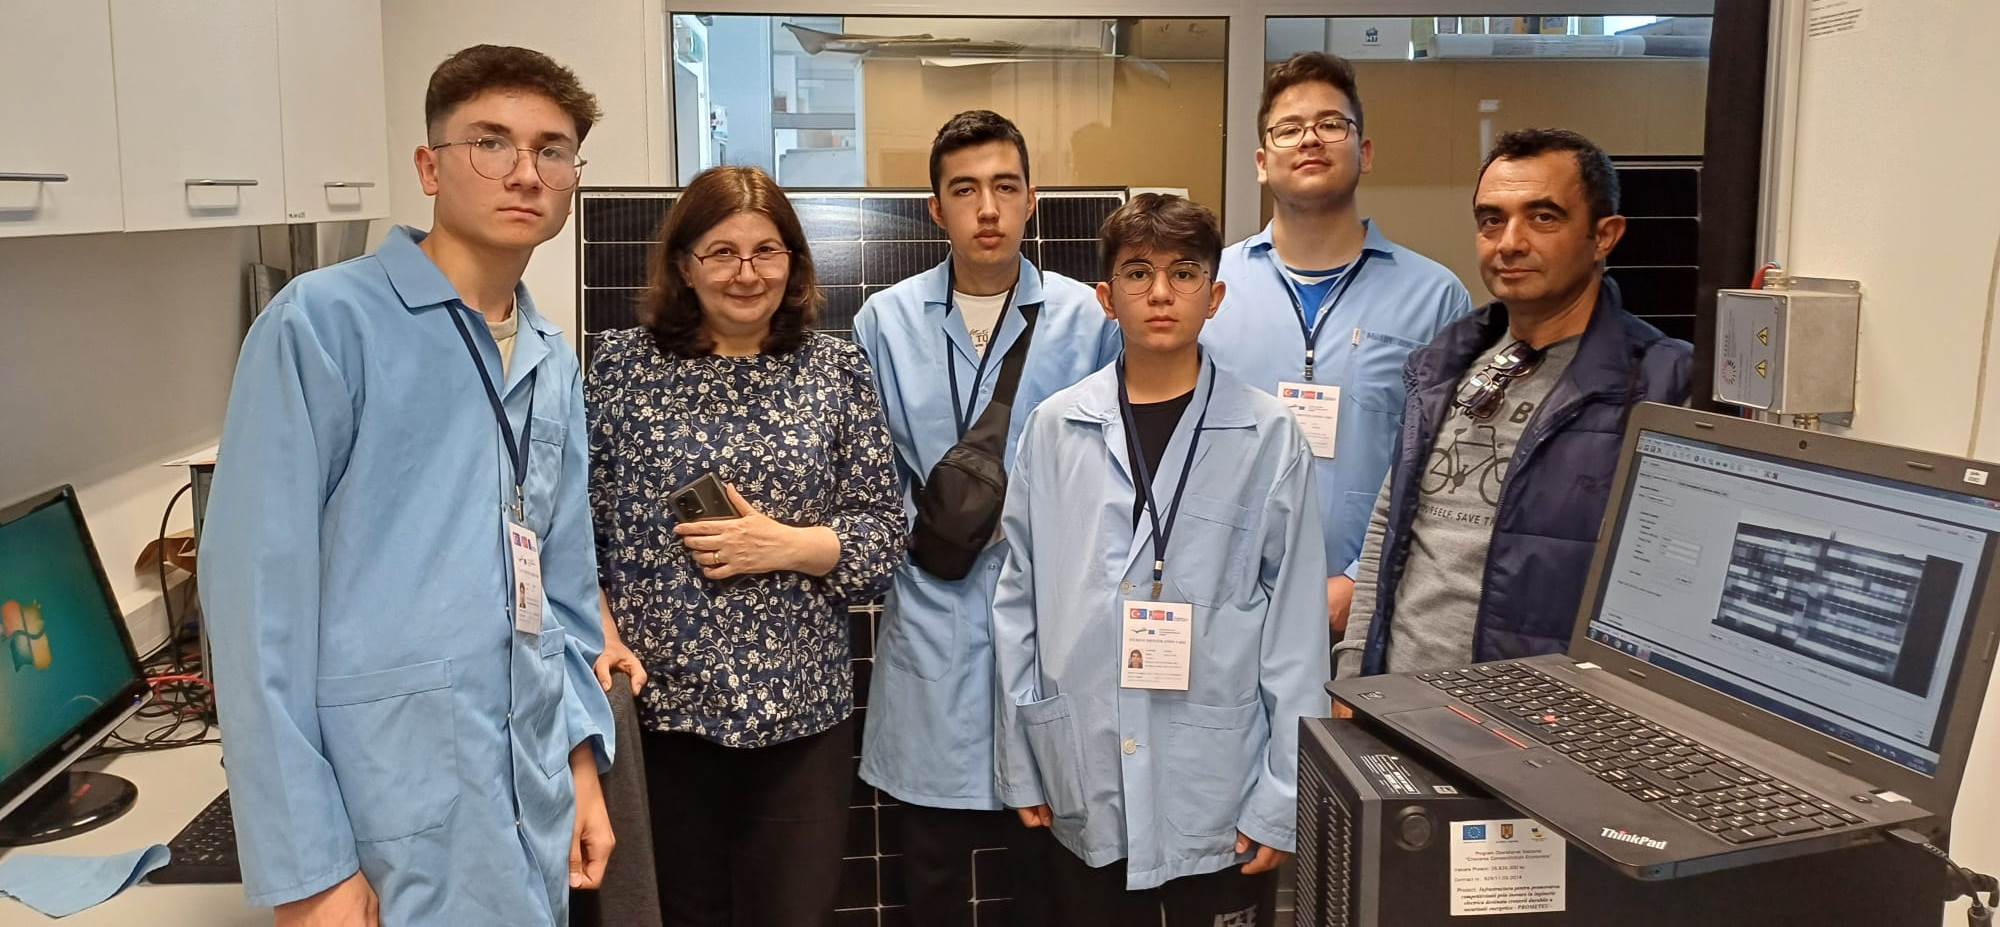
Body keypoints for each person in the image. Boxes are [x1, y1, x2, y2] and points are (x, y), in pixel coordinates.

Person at [200, 45, 615, 925]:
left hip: (531, 798)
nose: (526, 173)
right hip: (385, 810)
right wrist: (307, 869)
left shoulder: (552, 360)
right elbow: (254, 610)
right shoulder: (323, 326)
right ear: (430, 167)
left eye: (552, 151)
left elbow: (566, 591)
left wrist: (581, 766)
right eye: (491, 143)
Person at [992, 193, 1329, 925]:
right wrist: (1022, 759)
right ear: (1107, 298)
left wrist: (1282, 796)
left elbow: (1297, 633)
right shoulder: (1056, 427)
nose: (1161, 293)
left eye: (1183, 273)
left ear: (1215, 295)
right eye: (1138, 273)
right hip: (1083, 767)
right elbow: (1017, 603)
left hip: (1217, 780)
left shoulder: (1269, 435)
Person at [585, 165, 904, 927]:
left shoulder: (835, 369)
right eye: (722, 252)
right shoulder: (621, 366)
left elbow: (882, 539)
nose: (747, 272)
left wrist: (785, 545)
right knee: (676, 913)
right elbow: (575, 531)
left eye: (767, 251)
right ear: (684, 265)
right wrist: (602, 634)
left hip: (801, 720)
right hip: (661, 715)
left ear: (794, 262)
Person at [854, 109, 1122, 925]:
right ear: (936, 209)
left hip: (1048, 616)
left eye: (1006, 187)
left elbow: (1116, 471)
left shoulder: (1088, 318)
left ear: (1033, 198)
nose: (989, 209)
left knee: (1045, 875)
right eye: (965, 190)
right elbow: (868, 473)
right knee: (930, 871)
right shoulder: (884, 320)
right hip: (931, 609)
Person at [1341, 128, 1694, 678]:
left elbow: (1671, 590)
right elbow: (1389, 528)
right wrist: (1354, 673)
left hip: (1535, 713)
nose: (1509, 242)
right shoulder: (1443, 365)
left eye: (1543, 217)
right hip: (1399, 700)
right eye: (1491, 220)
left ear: (1604, 236)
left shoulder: (1661, 385)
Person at [1204, 52, 1472, 643]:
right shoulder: (1209, 290)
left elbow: (1447, 472)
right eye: (1288, 128)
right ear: (1260, 162)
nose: (1310, 139)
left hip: (1370, 612)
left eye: (1331, 124)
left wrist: (1360, 581)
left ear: (1365, 152)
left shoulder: (1435, 298)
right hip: (1226, 609)